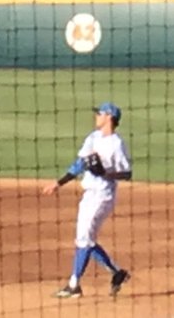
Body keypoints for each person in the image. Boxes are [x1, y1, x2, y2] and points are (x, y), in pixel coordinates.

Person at [42, 101, 132, 299]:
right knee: (85, 239)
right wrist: (59, 183)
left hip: (103, 196)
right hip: (88, 194)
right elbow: (80, 164)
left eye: (99, 113)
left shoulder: (117, 144)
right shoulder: (93, 137)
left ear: (109, 117)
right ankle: (117, 273)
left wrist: (106, 173)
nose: (96, 116)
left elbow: (127, 173)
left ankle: (74, 284)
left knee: (83, 239)